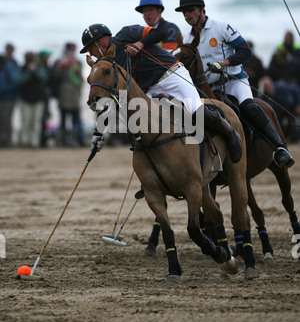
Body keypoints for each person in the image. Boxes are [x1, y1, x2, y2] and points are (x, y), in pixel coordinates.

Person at [80, 23, 243, 198]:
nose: (92, 54)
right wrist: (99, 131)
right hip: (149, 89)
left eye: (91, 49)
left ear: (101, 42)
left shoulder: (126, 34)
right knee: (136, 124)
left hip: (171, 75)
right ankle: (151, 177)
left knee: (195, 111)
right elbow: (112, 100)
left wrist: (139, 44)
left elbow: (159, 33)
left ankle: (230, 133)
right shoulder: (108, 66)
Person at [175, 0, 294, 169]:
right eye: (184, 12)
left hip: (233, 82)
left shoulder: (221, 28)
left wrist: (225, 62)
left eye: (190, 10)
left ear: (201, 9)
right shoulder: (188, 39)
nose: (187, 15)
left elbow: (245, 50)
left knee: (249, 106)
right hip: (206, 88)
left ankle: (279, 148)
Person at [52, 42, 85, 147]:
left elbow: (81, 80)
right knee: (63, 121)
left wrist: (77, 71)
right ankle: (63, 141)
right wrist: (63, 65)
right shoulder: (59, 62)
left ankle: (78, 140)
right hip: (63, 96)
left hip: (75, 96)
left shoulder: (78, 63)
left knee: (77, 121)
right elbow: (55, 77)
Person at [18, 51, 49, 148]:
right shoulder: (23, 68)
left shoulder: (39, 68)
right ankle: (25, 141)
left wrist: (35, 70)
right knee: (26, 121)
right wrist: (28, 71)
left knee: (36, 122)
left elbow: (44, 78)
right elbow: (20, 81)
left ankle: (35, 142)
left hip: (38, 99)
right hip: (25, 99)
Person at [0, 43, 19, 147]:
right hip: (3, 95)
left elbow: (14, 81)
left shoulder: (13, 63)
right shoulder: (2, 61)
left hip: (9, 96)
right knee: (2, 119)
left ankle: (7, 140)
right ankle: (3, 140)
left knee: (7, 119)